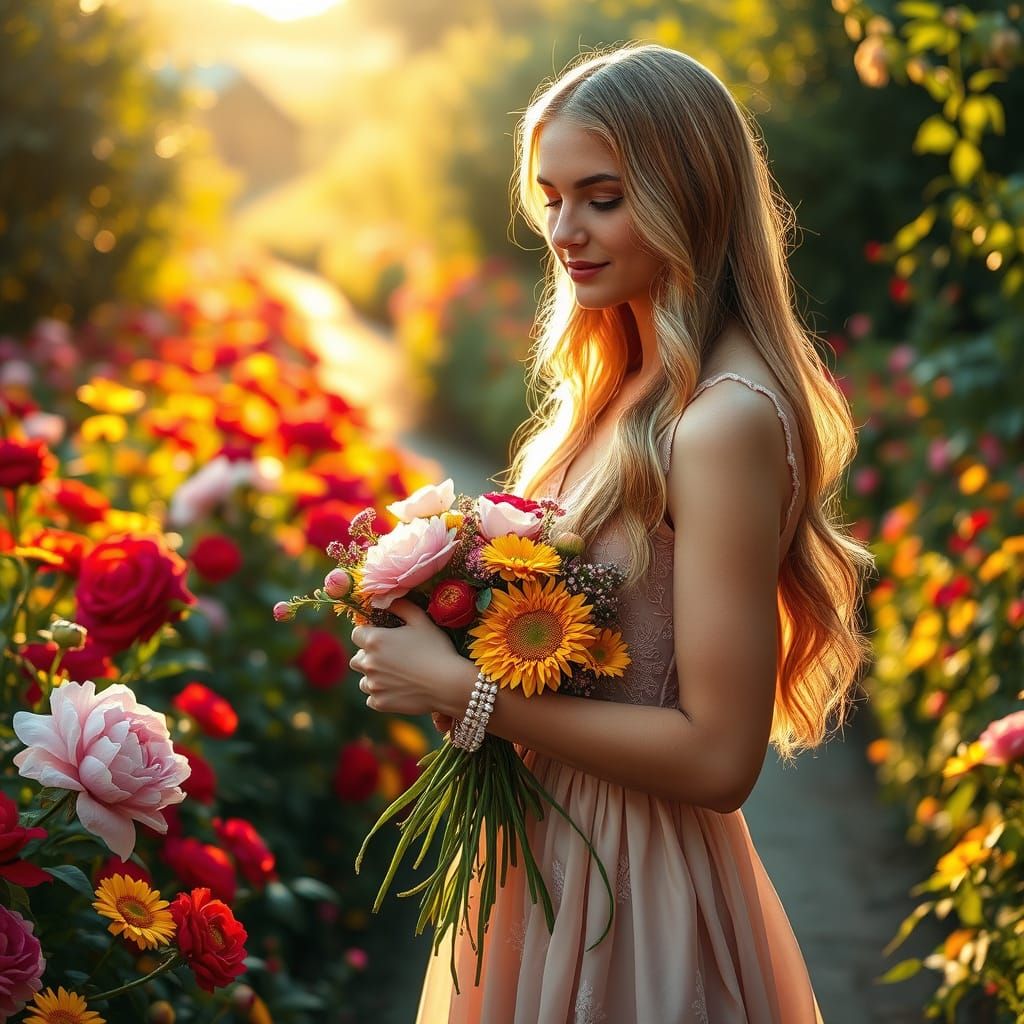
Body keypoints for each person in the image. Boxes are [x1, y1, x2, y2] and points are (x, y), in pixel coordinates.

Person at [348, 41, 874, 1023]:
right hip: (543, 856)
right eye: (550, 198)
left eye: (601, 198)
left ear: (691, 199)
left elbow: (720, 759)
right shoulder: (622, 385)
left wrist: (466, 693)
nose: (564, 231)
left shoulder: (721, 420)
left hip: (631, 883)